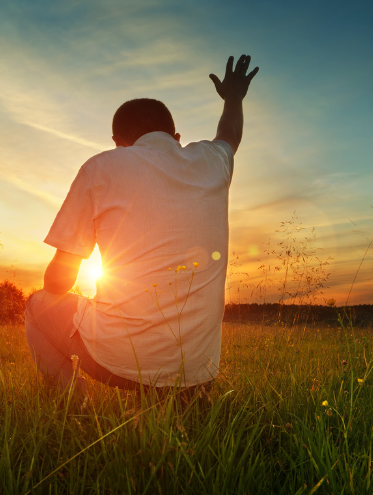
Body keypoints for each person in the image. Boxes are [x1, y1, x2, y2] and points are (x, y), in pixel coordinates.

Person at [24, 55, 259, 397]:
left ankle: (71, 406)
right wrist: (234, 98)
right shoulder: (212, 161)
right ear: (176, 137)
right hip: (198, 370)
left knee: (37, 304)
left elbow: (57, 282)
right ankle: (185, 396)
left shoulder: (100, 167)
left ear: (117, 142)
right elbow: (230, 135)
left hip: (117, 365)